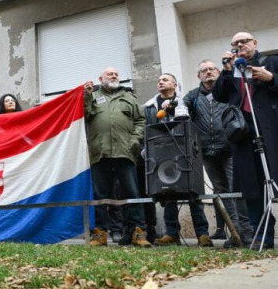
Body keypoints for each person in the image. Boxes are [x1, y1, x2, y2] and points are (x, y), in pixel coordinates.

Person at [215, 32, 278, 252]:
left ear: (255, 43)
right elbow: (219, 96)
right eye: (235, 43)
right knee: (252, 188)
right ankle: (262, 235)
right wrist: (226, 70)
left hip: (275, 132)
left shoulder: (275, 63)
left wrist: (271, 78)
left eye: (244, 41)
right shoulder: (233, 69)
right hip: (244, 134)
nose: (240, 45)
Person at [184, 60, 254, 246]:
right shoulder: (193, 95)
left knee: (236, 190)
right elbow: (182, 108)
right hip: (207, 151)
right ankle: (235, 233)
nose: (208, 72)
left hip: (230, 147)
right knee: (221, 192)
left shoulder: (228, 90)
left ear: (218, 72)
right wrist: (172, 105)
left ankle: (246, 231)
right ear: (198, 76)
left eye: (212, 69)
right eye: (204, 70)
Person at [83, 67, 150, 247]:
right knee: (100, 195)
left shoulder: (129, 98)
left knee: (132, 193)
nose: (113, 76)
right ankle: (100, 234)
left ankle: (137, 232)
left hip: (125, 151)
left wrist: (134, 140)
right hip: (100, 152)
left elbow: (140, 120)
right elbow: (85, 116)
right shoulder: (93, 97)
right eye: (109, 74)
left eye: (116, 74)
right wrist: (87, 96)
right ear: (100, 79)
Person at [144, 73, 212, 247]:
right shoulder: (150, 106)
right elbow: (147, 128)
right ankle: (172, 234)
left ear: (175, 85)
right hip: (161, 153)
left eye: (165, 80)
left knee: (193, 193)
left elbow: (194, 123)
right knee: (168, 192)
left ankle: (202, 234)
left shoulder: (185, 102)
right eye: (159, 80)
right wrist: (146, 150)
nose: (160, 82)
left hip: (185, 152)